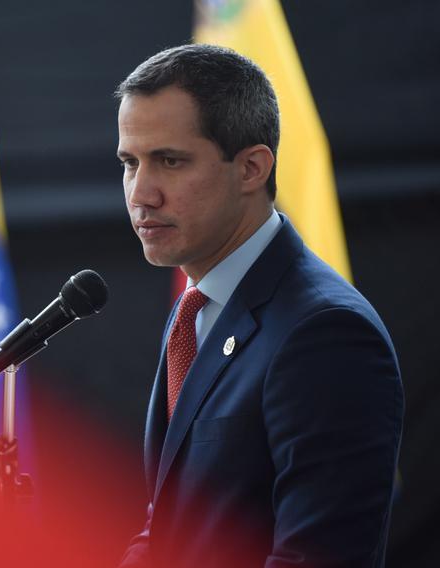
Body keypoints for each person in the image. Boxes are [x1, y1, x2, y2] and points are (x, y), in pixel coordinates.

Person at [115, 44, 403, 568]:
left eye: (170, 161)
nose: (141, 194)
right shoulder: (198, 307)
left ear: (251, 168)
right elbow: (170, 526)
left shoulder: (325, 333)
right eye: (130, 163)